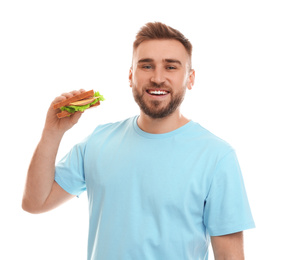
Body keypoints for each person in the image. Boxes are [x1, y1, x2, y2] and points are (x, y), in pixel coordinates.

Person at [22, 22, 255, 260]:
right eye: (146, 66)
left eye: (171, 67)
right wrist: (53, 131)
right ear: (131, 76)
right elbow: (35, 202)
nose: (157, 77)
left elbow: (230, 256)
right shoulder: (98, 142)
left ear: (190, 78)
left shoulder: (216, 156)